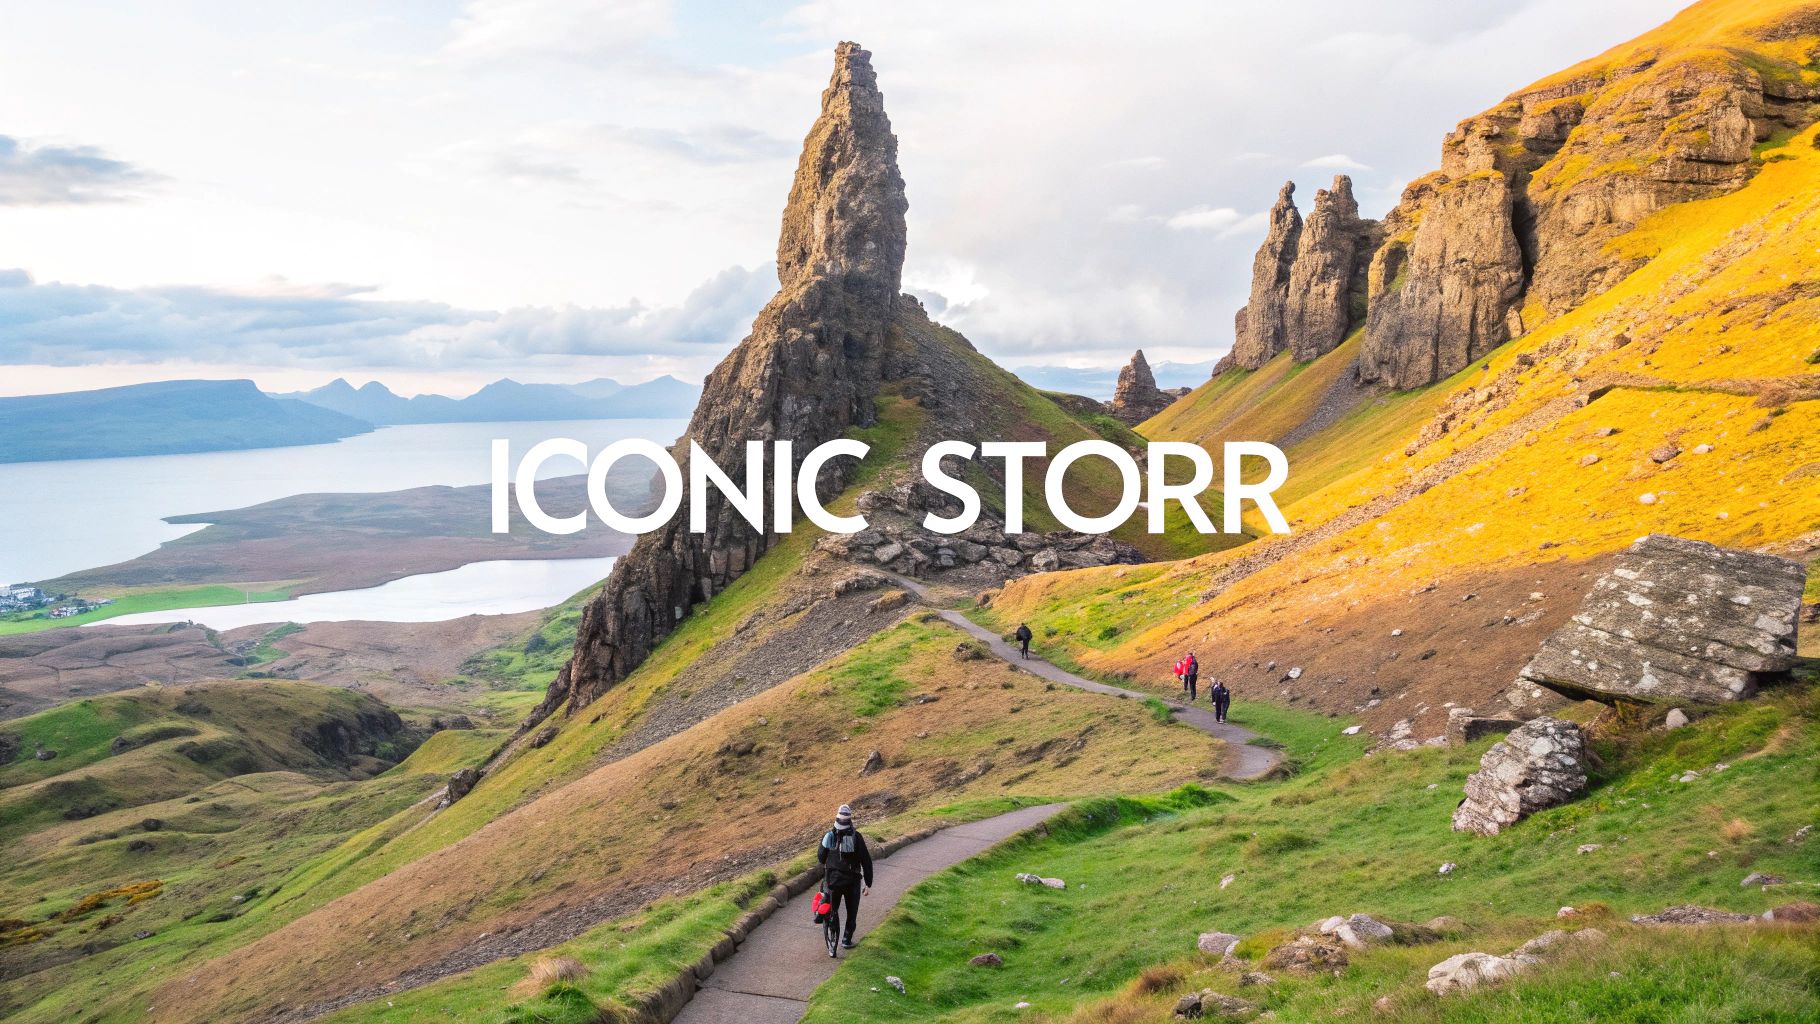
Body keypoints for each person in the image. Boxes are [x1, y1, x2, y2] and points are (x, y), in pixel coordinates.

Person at [817, 803, 873, 955]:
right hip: (852, 881)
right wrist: (868, 883)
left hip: (832, 880)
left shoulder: (828, 836)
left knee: (831, 908)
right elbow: (866, 861)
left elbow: (821, 859)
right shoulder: (857, 837)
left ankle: (825, 921)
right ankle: (846, 940)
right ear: (850, 820)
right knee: (851, 912)